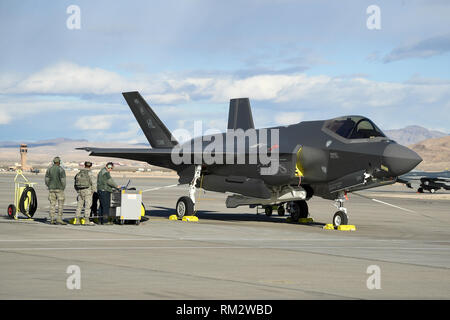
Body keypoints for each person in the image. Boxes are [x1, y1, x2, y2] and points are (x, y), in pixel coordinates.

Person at [45, 156, 66, 225]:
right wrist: (63, 187)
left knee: (52, 204)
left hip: (51, 189)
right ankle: (59, 219)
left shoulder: (49, 169)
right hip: (59, 189)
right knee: (60, 204)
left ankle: (51, 219)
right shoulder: (61, 169)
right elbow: (63, 180)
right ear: (59, 162)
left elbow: (47, 179)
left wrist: (49, 186)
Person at [74, 161, 96, 225]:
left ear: (84, 165)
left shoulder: (79, 173)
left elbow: (75, 182)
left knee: (79, 206)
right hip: (88, 191)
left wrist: (77, 190)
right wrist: (93, 191)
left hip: (80, 191)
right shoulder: (90, 173)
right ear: (90, 166)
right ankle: (86, 220)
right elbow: (93, 183)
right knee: (87, 206)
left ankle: (77, 220)